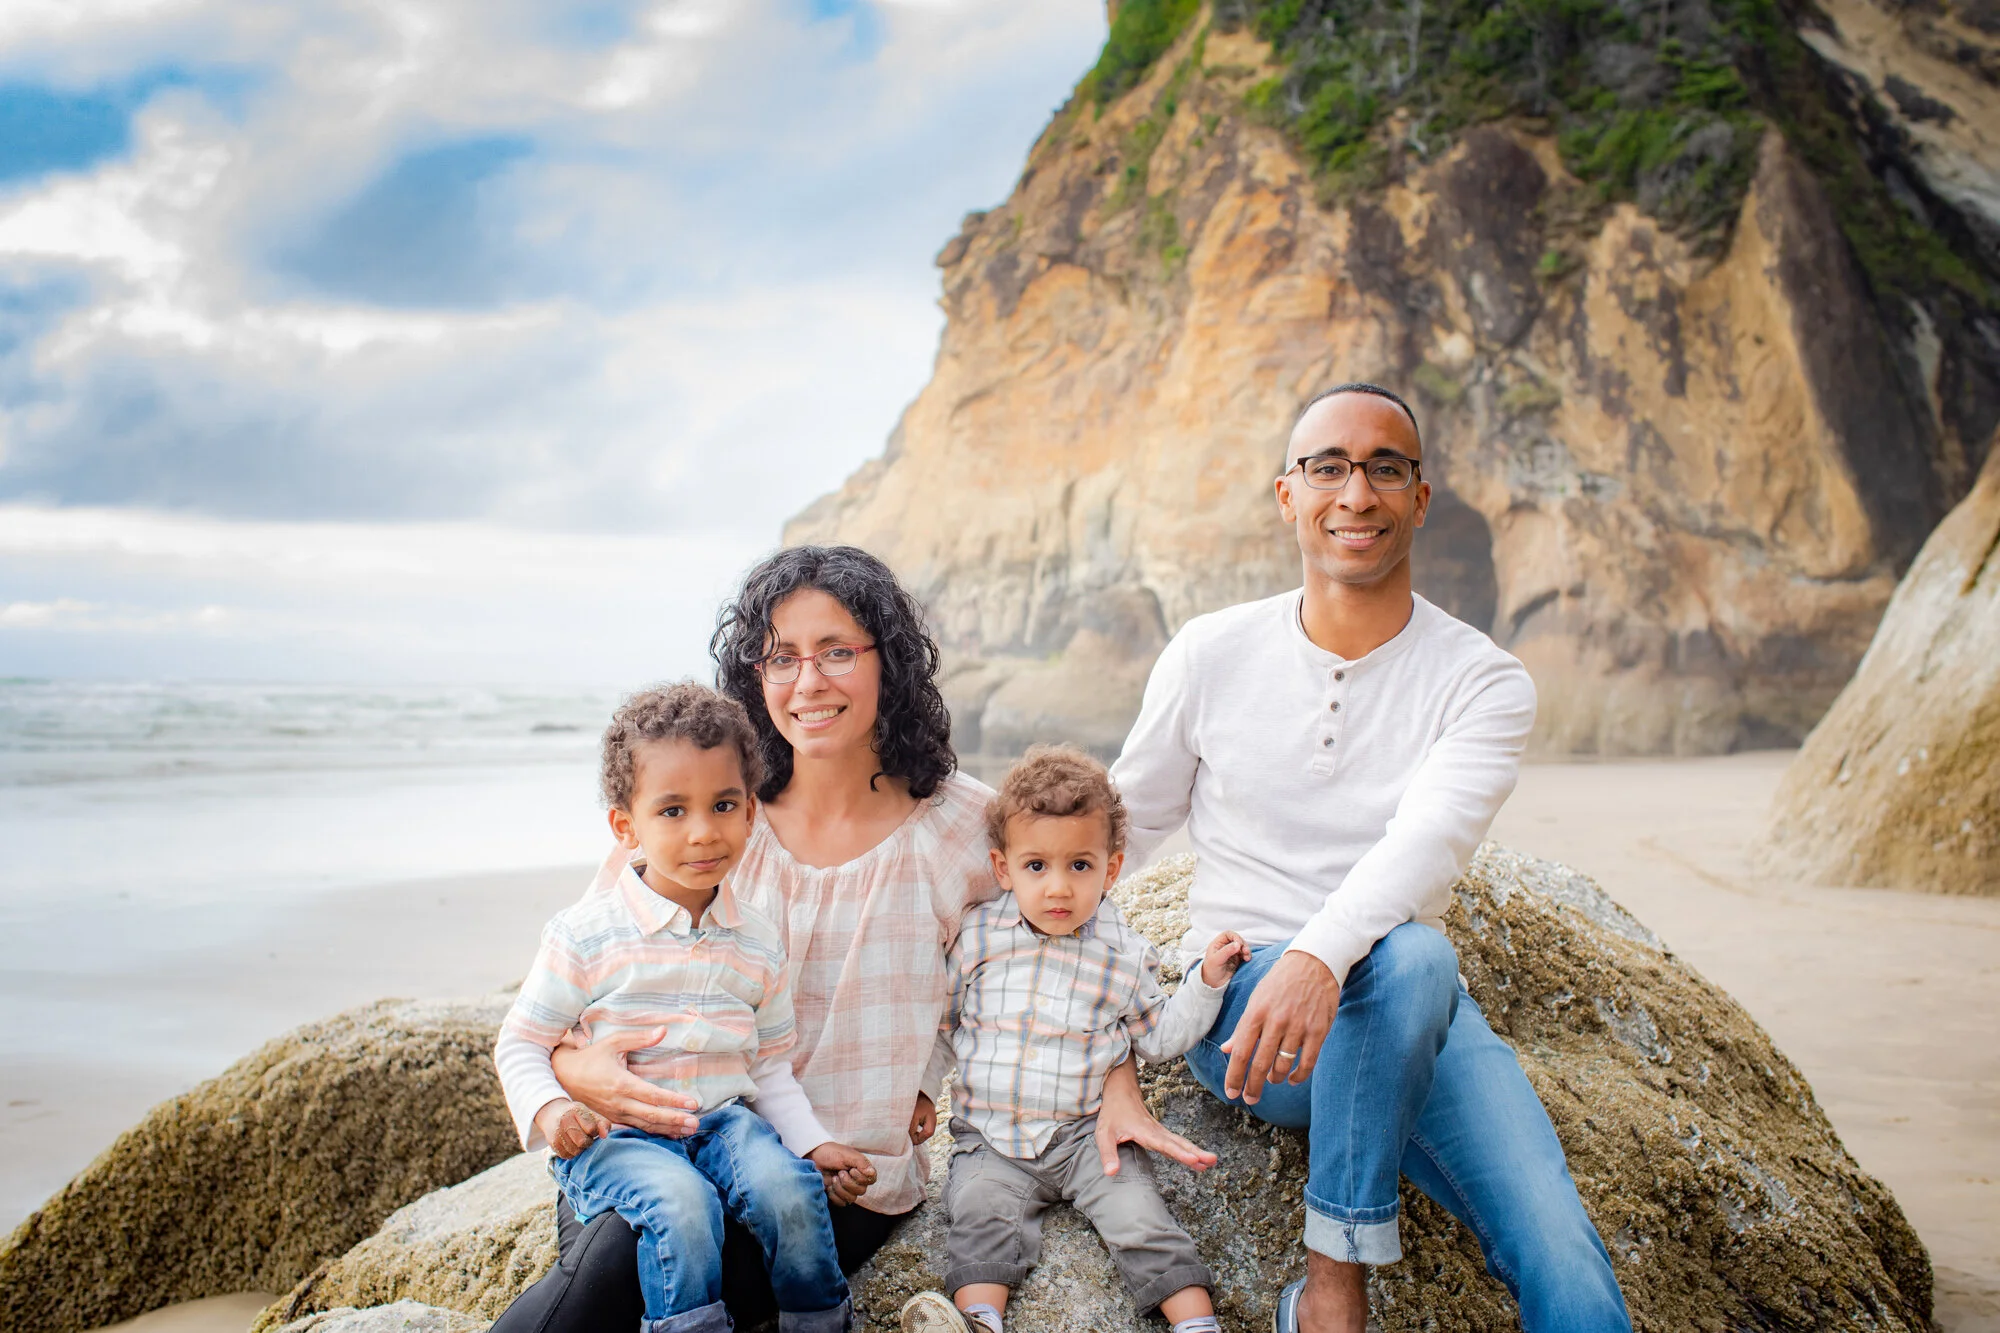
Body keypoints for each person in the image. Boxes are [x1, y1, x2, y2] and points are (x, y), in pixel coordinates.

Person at [486, 547, 1211, 1332]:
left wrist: (1119, 1078)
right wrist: (571, 1069)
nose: (809, 682)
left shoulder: (970, 828)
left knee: (632, 1286)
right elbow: (569, 986)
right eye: (781, 657)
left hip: (838, 1183)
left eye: (837, 651)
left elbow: (1082, 945)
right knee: (617, 1262)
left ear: (888, 662)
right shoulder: (708, 816)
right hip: (665, 1149)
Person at [1109, 384, 1632, 1333]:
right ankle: (1335, 1291)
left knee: (1569, 1263)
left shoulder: (1482, 679)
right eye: (1329, 469)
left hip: (1405, 1003)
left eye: (1385, 469)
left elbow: (1426, 846)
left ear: (1419, 498)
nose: (1357, 494)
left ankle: (1327, 1294)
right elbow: (1113, 836)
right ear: (1287, 496)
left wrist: (1321, 955)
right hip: (1250, 1015)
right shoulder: (1210, 653)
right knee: (1416, 956)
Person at [493, 683, 856, 1333]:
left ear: (750, 811)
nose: (702, 831)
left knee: (791, 1189)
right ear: (625, 826)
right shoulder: (585, 934)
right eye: (671, 810)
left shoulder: (757, 940)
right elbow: (520, 1041)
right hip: (620, 1137)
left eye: (722, 805)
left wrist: (813, 1142)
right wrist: (550, 1109)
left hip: (722, 1122)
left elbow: (770, 1066)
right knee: (682, 1205)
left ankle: (820, 1321)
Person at [897, 746, 1248, 1333]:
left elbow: (1158, 1037)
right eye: (1036, 866)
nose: (1058, 888)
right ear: (1003, 867)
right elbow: (945, 1025)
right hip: (992, 1136)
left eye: (1079, 866)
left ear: (1110, 869)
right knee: (979, 1218)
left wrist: (1206, 983)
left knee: (1142, 1218)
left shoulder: (1123, 953)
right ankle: (980, 1319)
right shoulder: (980, 936)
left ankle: (1196, 1323)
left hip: (1090, 1135)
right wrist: (925, 1092)